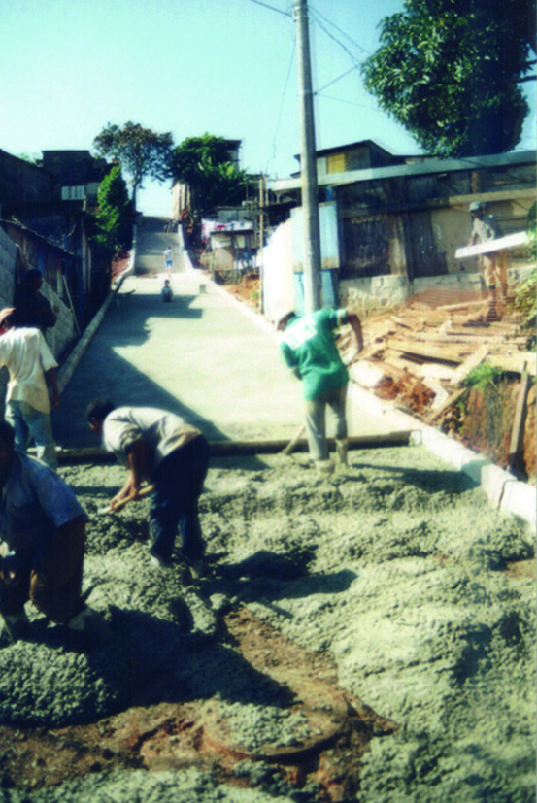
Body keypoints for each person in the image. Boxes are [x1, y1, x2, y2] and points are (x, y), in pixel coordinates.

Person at [0, 420, 108, 646]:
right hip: (17, 546)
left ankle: (95, 631)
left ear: (9, 447)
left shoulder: (36, 473)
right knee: (3, 589)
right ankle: (21, 635)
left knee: (45, 595)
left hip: (55, 541)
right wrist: (4, 562)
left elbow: (73, 522)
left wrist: (52, 569)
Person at [86, 400, 210, 577]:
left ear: (94, 421)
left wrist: (136, 485)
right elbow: (139, 458)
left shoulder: (111, 423)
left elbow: (136, 446)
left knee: (162, 509)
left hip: (174, 450)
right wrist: (122, 494)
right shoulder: (128, 416)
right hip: (197, 444)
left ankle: (161, 561)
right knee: (186, 507)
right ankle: (195, 560)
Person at [277, 307, 363, 473]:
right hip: (339, 376)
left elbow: (296, 373)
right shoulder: (319, 317)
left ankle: (324, 465)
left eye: (279, 327)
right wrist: (358, 345)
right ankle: (343, 457)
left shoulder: (285, 342)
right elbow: (352, 315)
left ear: (283, 322)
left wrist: (311, 378)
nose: (280, 330)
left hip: (314, 385)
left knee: (315, 426)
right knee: (339, 416)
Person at [0, 307, 59, 469]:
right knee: (44, 441)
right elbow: (49, 365)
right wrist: (55, 391)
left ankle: (15, 477)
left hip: (13, 397)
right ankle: (48, 477)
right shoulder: (35, 334)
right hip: (34, 395)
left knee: (16, 443)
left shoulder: (3, 341)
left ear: (6, 322)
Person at [468, 201, 507, 320]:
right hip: (486, 250)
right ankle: (492, 296)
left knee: (499, 271)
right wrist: (471, 244)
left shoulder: (490, 219)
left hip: (497, 248)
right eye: (473, 212)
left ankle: (504, 293)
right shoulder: (476, 222)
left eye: (477, 211)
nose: (476, 214)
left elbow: (494, 235)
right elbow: (474, 234)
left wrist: (490, 248)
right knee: (488, 273)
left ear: (482, 210)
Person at [14, 269, 57, 334]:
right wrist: (39, 311)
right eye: (36, 280)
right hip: (25, 334)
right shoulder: (22, 296)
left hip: (40, 335)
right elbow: (21, 315)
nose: (39, 282)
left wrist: (52, 319)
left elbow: (49, 323)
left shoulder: (44, 301)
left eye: (39, 280)